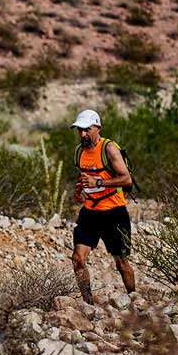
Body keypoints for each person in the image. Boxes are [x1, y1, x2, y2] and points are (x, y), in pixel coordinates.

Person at [69, 109, 136, 304]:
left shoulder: (109, 149)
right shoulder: (79, 151)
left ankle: (134, 299)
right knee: (77, 259)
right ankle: (88, 304)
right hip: (90, 213)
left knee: (121, 263)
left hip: (114, 213)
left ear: (97, 128)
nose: (83, 134)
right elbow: (84, 176)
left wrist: (98, 183)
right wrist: (80, 188)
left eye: (86, 129)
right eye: (80, 130)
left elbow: (126, 179)